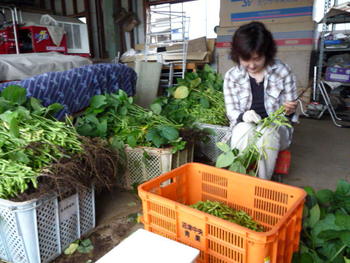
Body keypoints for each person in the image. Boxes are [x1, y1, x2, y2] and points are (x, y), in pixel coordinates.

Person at [223, 21, 298, 180]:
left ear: (267, 54)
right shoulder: (232, 76)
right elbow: (232, 112)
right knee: (244, 131)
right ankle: (240, 181)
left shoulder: (282, 72)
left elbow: (289, 112)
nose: (251, 65)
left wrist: (289, 111)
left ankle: (262, 184)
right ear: (237, 55)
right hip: (244, 125)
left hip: (276, 129)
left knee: (266, 132)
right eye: (245, 59)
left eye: (257, 59)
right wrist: (244, 116)